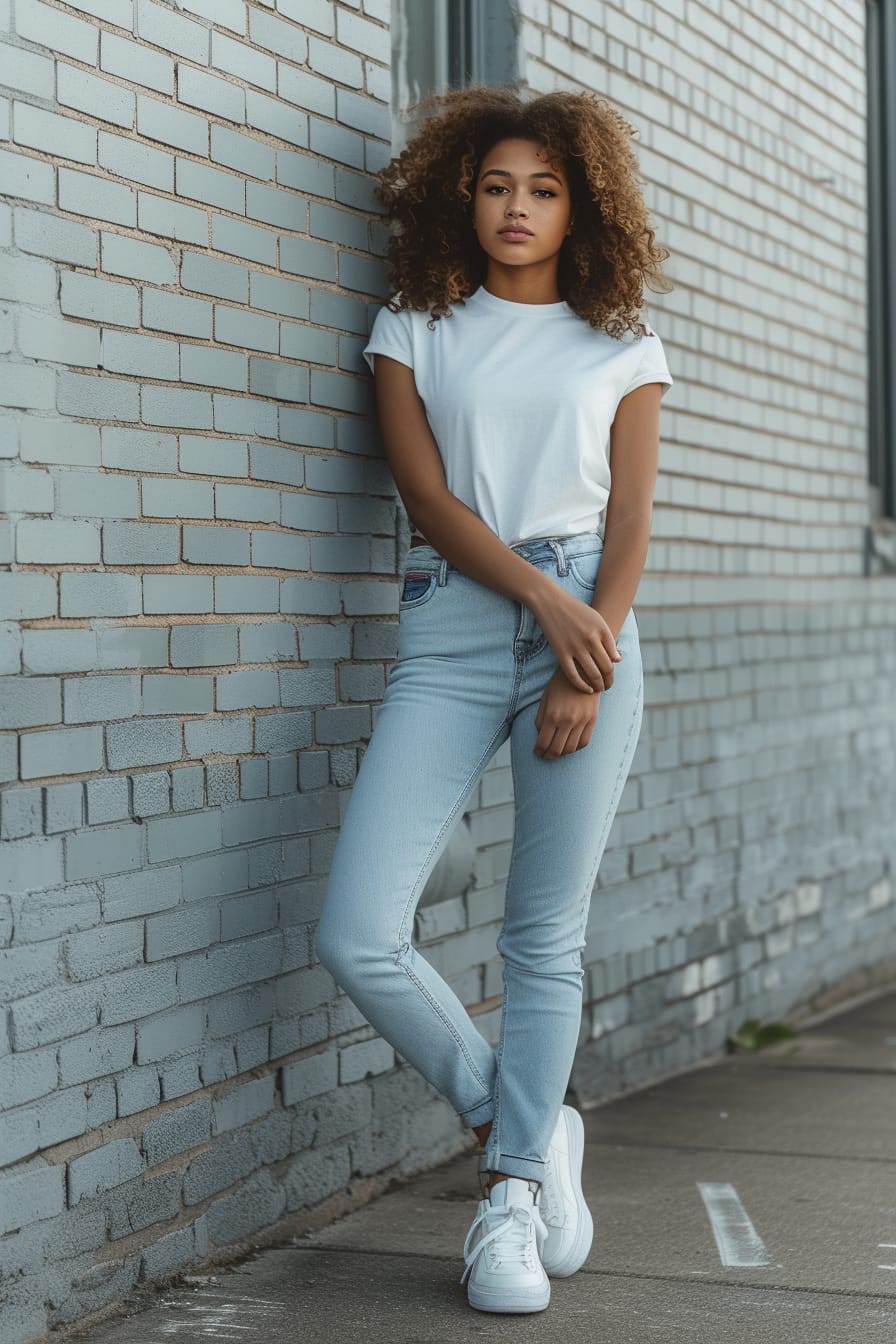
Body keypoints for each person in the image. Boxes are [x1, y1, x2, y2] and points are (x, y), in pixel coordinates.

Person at [315, 83, 673, 1315]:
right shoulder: (415, 327)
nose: (515, 209)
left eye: (542, 189)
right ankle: (523, 1117)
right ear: (459, 197)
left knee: (540, 936)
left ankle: (513, 1193)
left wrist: (589, 642)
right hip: (458, 622)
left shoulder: (621, 345)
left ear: (581, 207)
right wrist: (548, 609)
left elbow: (627, 521)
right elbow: (428, 504)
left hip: (588, 621)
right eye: (493, 187)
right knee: (357, 929)